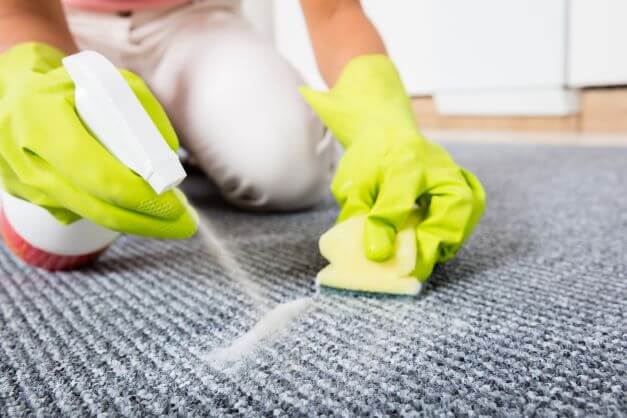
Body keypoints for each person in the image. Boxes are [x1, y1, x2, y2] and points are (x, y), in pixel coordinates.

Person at [0, 0, 485, 281]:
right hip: (55, 22)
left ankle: (186, 135)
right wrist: (28, 78)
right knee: (62, 231)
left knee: (288, 169)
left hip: (191, 20)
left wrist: (387, 120)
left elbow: (334, 11)